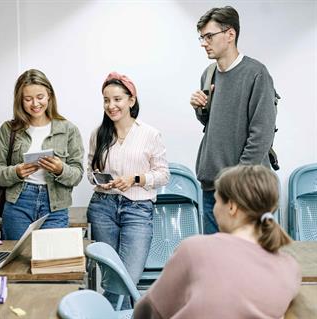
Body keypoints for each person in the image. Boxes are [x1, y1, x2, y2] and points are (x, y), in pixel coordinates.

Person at [133, 165, 301, 319]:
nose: (214, 209)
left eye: (217, 201)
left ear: (232, 207)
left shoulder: (195, 249)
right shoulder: (290, 268)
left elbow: (149, 310)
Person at [190, 6, 277, 234]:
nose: (204, 42)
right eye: (202, 37)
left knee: (249, 263)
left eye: (209, 36)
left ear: (230, 34)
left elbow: (262, 135)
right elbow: (214, 124)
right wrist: (201, 109)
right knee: (215, 263)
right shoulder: (208, 74)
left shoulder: (256, 74)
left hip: (245, 190)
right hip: (212, 187)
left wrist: (236, 181)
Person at [87, 72, 169, 309]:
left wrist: (135, 178)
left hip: (138, 210)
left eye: (117, 99)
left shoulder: (150, 134)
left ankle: (107, 313)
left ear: (131, 100)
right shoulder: (98, 134)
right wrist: (100, 181)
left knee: (127, 278)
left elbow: (163, 175)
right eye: (106, 100)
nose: (111, 106)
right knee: (112, 277)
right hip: (103, 207)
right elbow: (89, 171)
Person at [0, 69, 84, 240]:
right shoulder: (9, 129)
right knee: (16, 262)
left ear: (49, 96)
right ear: (20, 100)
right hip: (18, 203)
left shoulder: (68, 129)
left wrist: (60, 169)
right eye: (28, 99)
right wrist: (16, 172)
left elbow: (77, 175)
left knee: (50, 261)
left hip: (55, 206)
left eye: (40, 97)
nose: (35, 103)